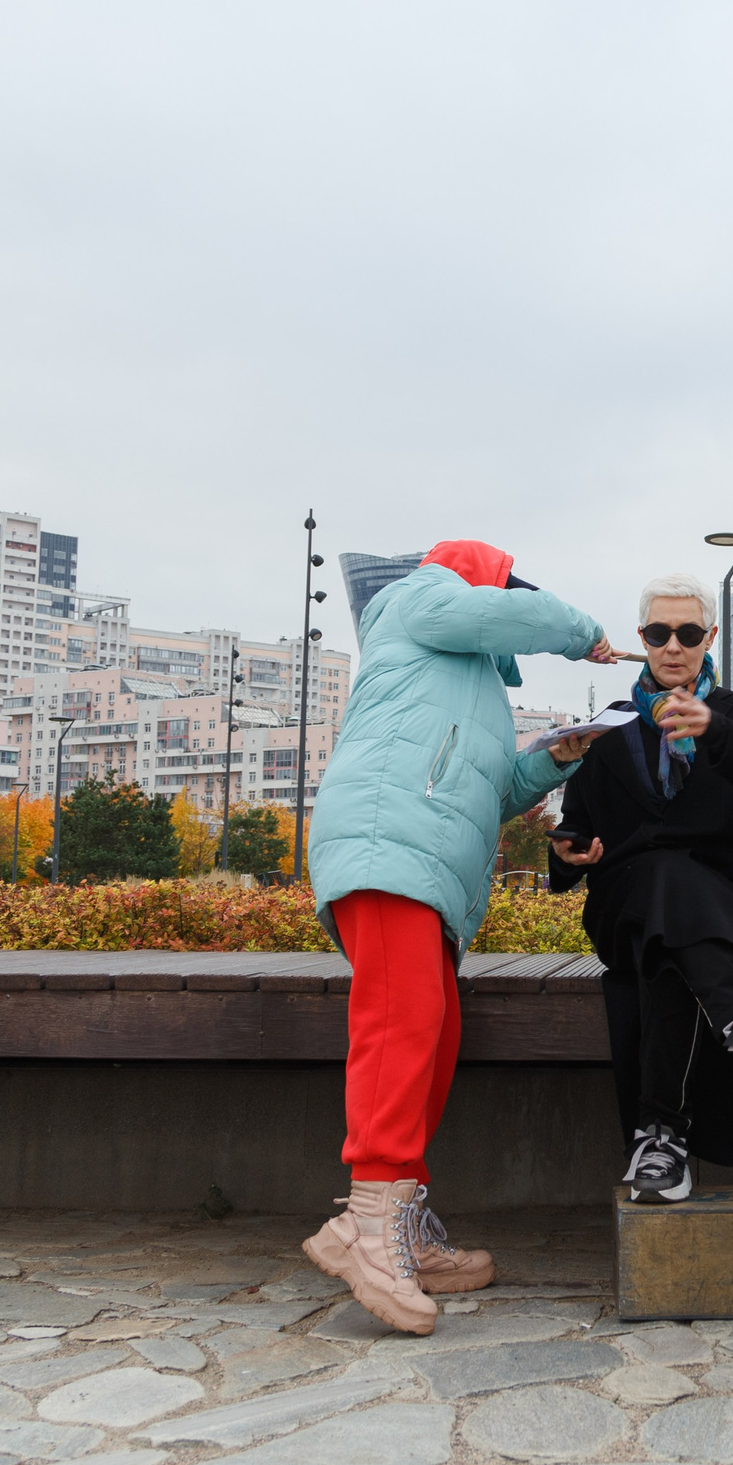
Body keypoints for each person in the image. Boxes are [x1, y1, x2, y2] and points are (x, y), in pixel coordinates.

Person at [301, 540, 615, 1333]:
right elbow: (504, 613)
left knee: (432, 1031)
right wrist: (582, 629)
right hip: (385, 840)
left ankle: (392, 1217)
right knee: (401, 1020)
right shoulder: (416, 601)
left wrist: (553, 759)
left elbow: (489, 788)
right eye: (507, 590)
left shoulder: (468, 678)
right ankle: (370, 1222)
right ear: (481, 581)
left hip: (425, 860)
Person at [548, 573, 733, 1203]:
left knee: (666, 945)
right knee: (661, 883)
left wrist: (715, 731)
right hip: (625, 901)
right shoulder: (605, 731)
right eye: (660, 633)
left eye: (688, 633)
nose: (674, 646)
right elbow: (576, 834)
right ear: (642, 639)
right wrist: (567, 853)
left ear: (709, 637)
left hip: (729, 906)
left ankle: (659, 1137)